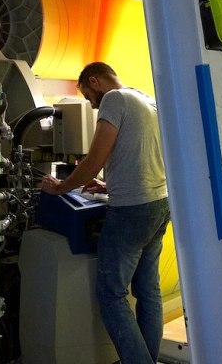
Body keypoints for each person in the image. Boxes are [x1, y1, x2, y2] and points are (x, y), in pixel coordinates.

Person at [41, 62, 170, 364]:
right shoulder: (144, 98)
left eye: (88, 95)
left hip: (132, 210)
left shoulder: (113, 100)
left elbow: (92, 161)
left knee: (112, 296)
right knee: (147, 290)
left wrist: (60, 187)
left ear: (95, 81)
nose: (90, 102)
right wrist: (109, 184)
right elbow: (139, 155)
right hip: (160, 204)